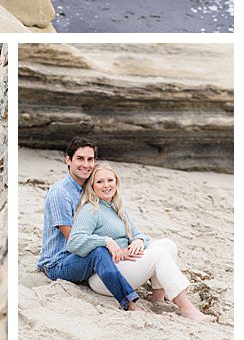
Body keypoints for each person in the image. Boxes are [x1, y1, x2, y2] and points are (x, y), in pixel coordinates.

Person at [67, 162, 212, 321]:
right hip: (105, 276)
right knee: (159, 254)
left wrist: (138, 240)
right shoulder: (91, 210)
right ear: (92, 186)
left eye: (110, 180)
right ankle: (186, 308)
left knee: (167, 245)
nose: (106, 185)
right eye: (100, 182)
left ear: (116, 181)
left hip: (126, 264)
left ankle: (158, 297)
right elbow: (74, 242)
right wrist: (106, 241)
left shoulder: (117, 207)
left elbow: (138, 234)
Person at [36, 137, 141, 311]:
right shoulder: (60, 194)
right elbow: (73, 240)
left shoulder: (92, 189)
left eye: (90, 159)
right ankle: (129, 304)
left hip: (82, 259)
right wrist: (107, 242)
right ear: (68, 160)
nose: (86, 164)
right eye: (80, 159)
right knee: (99, 251)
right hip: (59, 263)